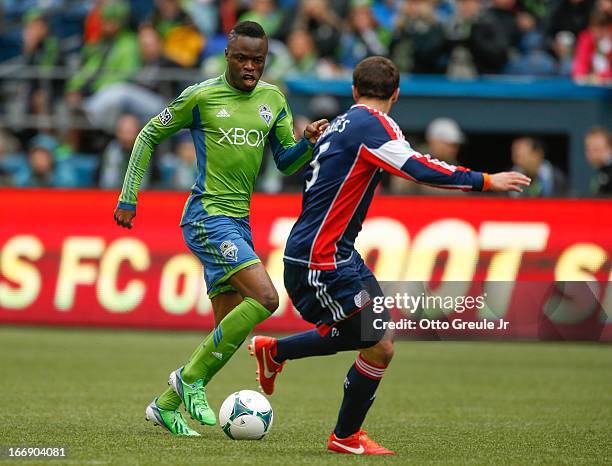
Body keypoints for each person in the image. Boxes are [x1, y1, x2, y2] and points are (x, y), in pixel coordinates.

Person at [249, 56, 530, 456]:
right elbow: (418, 168)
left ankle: (275, 352)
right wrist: (484, 180)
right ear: (396, 94)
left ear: (353, 89)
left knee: (368, 336)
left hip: (334, 254)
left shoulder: (342, 124)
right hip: (321, 259)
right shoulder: (373, 126)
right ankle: (343, 436)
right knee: (377, 342)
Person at [113, 21, 328, 436]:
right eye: (243, 58)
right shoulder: (201, 96)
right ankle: (188, 379)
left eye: (258, 61)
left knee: (227, 331)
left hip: (239, 223)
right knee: (266, 298)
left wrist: (307, 141)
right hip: (207, 217)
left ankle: (167, 405)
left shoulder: (273, 99)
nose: (251, 67)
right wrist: (128, 196)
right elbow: (147, 134)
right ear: (227, 56)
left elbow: (286, 162)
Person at [585, 126, 612, 195]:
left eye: (596, 149)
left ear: (609, 149)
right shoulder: (602, 172)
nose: (592, 155)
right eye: (589, 150)